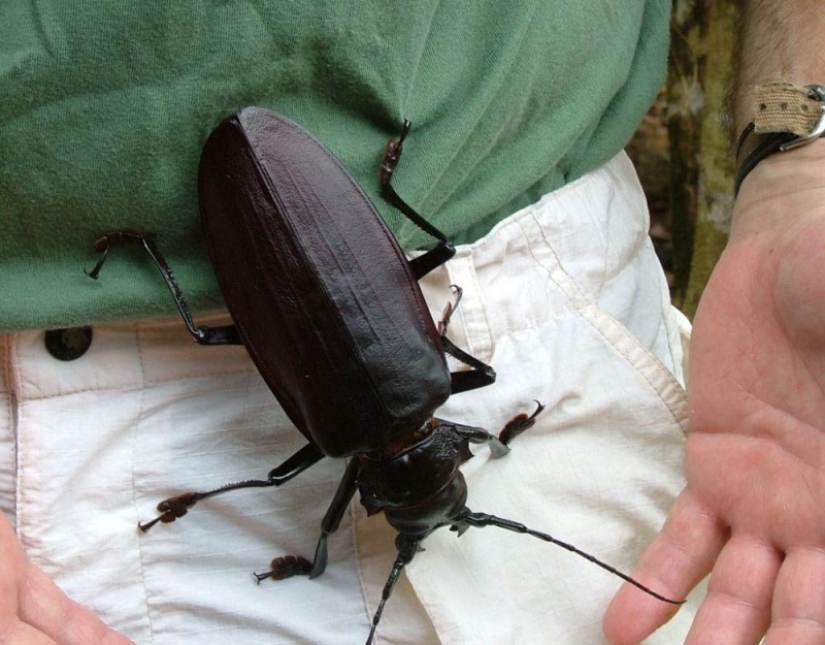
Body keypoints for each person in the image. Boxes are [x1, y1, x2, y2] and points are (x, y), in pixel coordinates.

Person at [0, 2, 821, 644]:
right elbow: (294, 476)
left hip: (521, 297)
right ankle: (155, 244)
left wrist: (803, 164)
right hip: (374, 247)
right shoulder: (338, 436)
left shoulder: (433, 387)